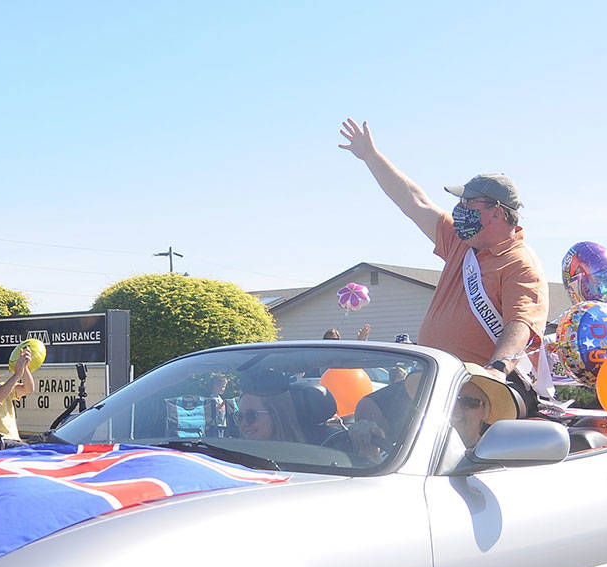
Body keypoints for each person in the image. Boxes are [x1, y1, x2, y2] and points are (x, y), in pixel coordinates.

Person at [339, 119, 548, 379]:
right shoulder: (461, 243)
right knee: (370, 410)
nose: (459, 210)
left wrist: (496, 371)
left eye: (468, 203)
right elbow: (413, 200)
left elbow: (521, 324)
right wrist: (371, 156)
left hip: (475, 389)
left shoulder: (520, 263)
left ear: (496, 213)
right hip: (435, 381)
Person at [452, 363, 518, 448]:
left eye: (469, 402)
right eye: (450, 399)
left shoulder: (493, 456)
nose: (456, 409)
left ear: (486, 412)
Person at [235, 390, 306, 442]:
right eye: (239, 417)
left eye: (251, 416)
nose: (243, 424)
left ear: (276, 415)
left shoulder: (302, 458)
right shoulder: (235, 458)